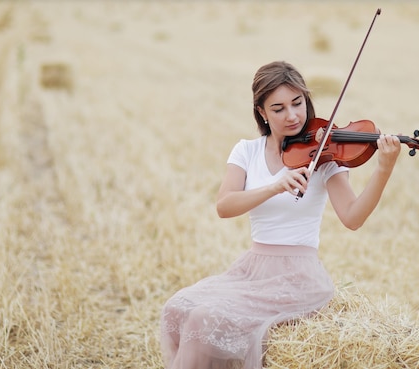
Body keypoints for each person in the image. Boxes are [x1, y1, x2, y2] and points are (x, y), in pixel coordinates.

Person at [160, 61, 401, 369]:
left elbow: (353, 218)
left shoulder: (325, 156)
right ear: (261, 112)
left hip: (299, 276)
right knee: (180, 309)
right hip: (253, 270)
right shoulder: (246, 151)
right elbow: (225, 206)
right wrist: (274, 187)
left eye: (298, 103)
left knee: (204, 318)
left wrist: (384, 168)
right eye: (278, 108)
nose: (292, 116)